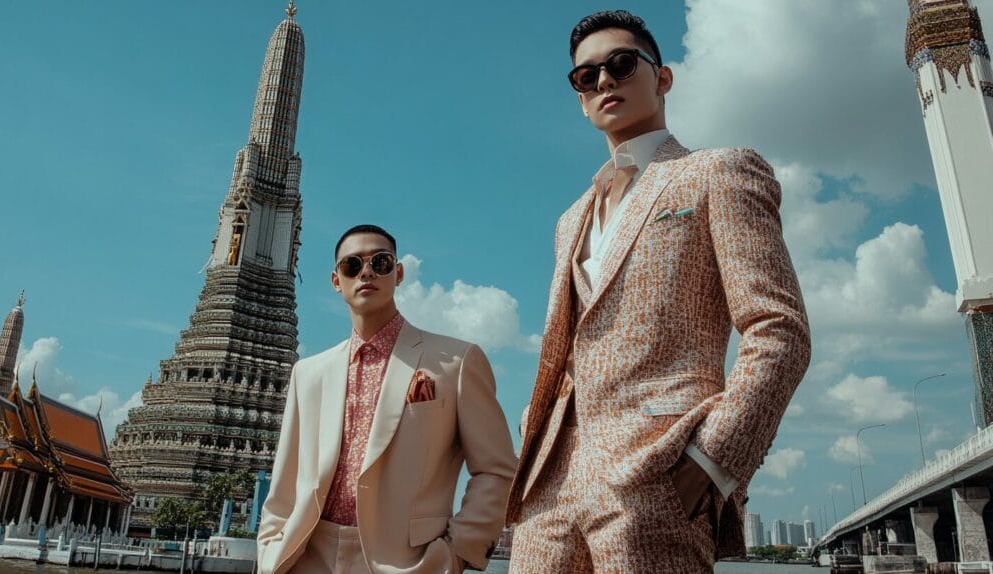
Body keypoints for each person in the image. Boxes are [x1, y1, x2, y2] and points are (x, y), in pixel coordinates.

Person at [506, 10, 811, 573]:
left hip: (659, 472)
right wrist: (532, 427)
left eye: (621, 65)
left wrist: (713, 461)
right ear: (579, 96)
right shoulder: (569, 218)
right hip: (548, 488)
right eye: (585, 76)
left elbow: (779, 329)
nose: (603, 81)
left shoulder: (717, 172)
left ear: (661, 78)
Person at [258, 224, 517, 574]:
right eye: (352, 265)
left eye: (380, 262)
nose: (366, 272)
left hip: (409, 561)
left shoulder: (456, 361)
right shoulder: (308, 373)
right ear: (337, 281)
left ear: (398, 273)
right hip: (306, 556)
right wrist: (272, 551)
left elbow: (496, 469)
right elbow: (285, 483)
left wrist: (456, 553)